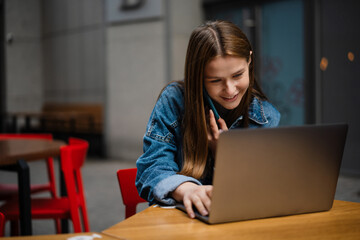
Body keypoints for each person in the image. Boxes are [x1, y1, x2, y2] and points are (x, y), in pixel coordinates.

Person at [135, 20, 280, 219]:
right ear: (198, 76)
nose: (230, 90)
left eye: (238, 75)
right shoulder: (174, 101)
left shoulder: (265, 116)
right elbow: (151, 167)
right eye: (215, 80)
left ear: (250, 61)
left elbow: (262, 189)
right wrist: (187, 190)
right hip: (180, 222)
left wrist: (226, 156)